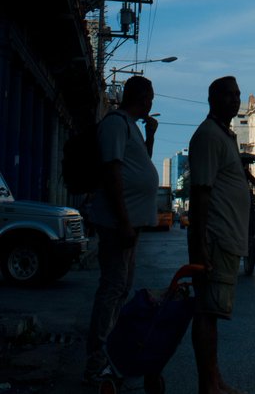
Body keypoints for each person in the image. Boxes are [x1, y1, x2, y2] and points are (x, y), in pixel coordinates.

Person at [84, 76, 159, 384]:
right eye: (150, 97)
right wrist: (125, 221)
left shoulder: (132, 128)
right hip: (118, 224)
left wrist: (151, 136)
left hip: (129, 224)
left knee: (121, 288)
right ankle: (95, 363)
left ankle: (109, 355)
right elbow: (112, 172)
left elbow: (140, 167)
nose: (151, 103)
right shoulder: (116, 124)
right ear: (140, 97)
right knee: (112, 288)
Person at [188, 77, 249, 394]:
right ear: (212, 99)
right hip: (215, 239)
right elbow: (201, 194)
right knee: (207, 311)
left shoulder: (225, 135)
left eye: (237, 95)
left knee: (213, 311)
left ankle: (213, 379)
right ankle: (209, 383)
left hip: (226, 239)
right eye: (228, 95)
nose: (235, 100)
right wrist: (199, 246)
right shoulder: (209, 136)